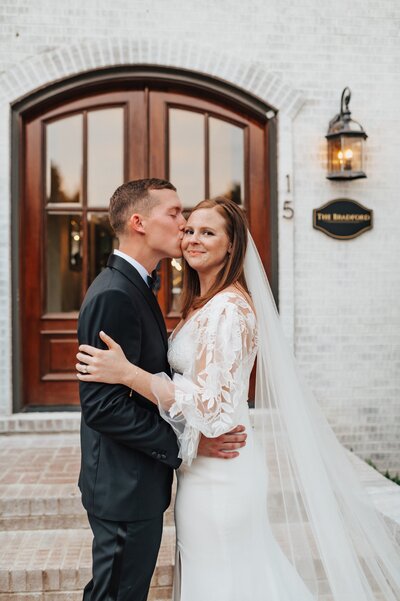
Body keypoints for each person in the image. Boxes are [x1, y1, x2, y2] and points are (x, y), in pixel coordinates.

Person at [77, 196, 400, 601]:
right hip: (202, 465)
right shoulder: (202, 304)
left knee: (225, 579)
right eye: (189, 228)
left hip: (222, 471)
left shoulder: (229, 309)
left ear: (232, 246)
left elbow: (212, 409)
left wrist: (129, 374)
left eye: (206, 232)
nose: (191, 237)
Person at [77, 182, 247, 601]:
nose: (185, 223)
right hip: (124, 486)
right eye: (174, 214)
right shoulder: (115, 293)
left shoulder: (141, 286)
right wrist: (185, 444)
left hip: (143, 482)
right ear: (139, 223)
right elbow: (103, 408)